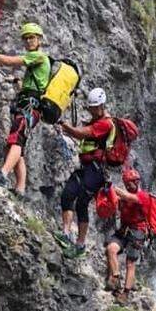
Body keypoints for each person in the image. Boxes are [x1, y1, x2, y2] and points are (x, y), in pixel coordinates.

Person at [0, 22, 50, 196]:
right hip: (29, 104)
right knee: (16, 144)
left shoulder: (39, 56)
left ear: (39, 39)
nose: (28, 41)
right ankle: (20, 189)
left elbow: (10, 61)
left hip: (30, 106)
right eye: (25, 38)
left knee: (16, 140)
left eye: (32, 37)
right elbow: (32, 88)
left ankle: (3, 174)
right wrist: (19, 83)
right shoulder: (38, 60)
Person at [54, 88, 115, 256]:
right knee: (67, 194)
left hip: (97, 171)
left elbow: (82, 134)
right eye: (90, 107)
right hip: (86, 167)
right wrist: (64, 129)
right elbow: (82, 136)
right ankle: (66, 233)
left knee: (82, 202)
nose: (92, 110)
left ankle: (80, 245)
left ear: (102, 106)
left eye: (94, 107)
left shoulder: (105, 123)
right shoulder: (95, 121)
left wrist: (65, 125)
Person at [105, 167, 151, 303]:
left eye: (134, 182)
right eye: (130, 182)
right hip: (124, 230)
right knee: (111, 249)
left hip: (138, 232)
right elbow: (119, 198)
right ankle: (115, 276)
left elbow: (127, 197)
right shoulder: (125, 194)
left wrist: (111, 186)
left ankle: (125, 293)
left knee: (130, 263)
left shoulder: (143, 196)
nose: (133, 184)